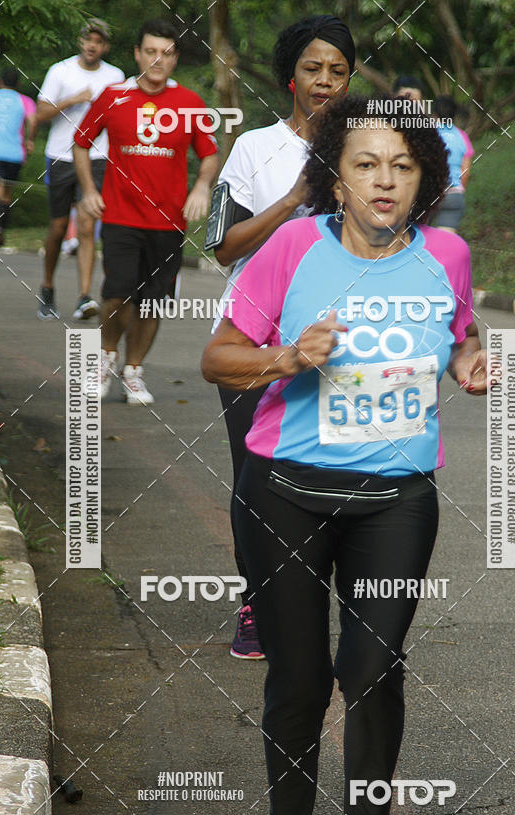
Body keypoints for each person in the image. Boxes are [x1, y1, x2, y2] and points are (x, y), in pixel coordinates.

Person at [201, 94, 487, 815]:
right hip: (285, 490)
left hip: (396, 498)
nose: (384, 180)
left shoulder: (449, 255)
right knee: (297, 677)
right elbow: (218, 357)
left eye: (402, 165)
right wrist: (288, 356)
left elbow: (457, 335)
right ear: (336, 179)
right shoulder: (293, 246)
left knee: (372, 667)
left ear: (424, 179)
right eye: (366, 164)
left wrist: (466, 365)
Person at [210, 15, 355, 659]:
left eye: (337, 71)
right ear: (290, 77)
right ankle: (257, 602)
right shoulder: (253, 150)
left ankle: (325, 602)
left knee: (338, 476)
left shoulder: (366, 147)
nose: (324, 81)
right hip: (255, 338)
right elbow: (222, 246)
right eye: (312, 69)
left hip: (340, 338)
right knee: (257, 478)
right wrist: (296, 195)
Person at [74, 18, 219, 406]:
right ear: (137, 54)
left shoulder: (190, 103)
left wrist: (201, 186)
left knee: (153, 301)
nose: (158, 59)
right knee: (117, 292)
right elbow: (80, 143)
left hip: (169, 221)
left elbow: (209, 154)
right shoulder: (112, 96)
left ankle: (134, 371)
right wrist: (88, 191)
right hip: (120, 215)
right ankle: (106, 357)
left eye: (167, 53)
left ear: (175, 59)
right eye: (150, 51)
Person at [36, 18, 124, 321]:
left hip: (98, 158)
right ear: (80, 41)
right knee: (59, 227)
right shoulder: (60, 71)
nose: (92, 45)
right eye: (89, 40)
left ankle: (84, 297)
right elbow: (41, 112)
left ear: (105, 47)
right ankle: (47, 287)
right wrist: (74, 99)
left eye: (99, 41)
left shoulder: (115, 76)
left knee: (87, 227)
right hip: (61, 156)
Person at [0, 68, 37, 247]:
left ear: (0, 81)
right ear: (18, 84)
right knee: (6, 195)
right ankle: (0, 229)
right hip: (15, 155)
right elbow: (33, 121)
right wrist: (29, 140)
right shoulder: (25, 100)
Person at [431, 95, 473, 232]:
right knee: (445, 246)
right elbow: (465, 172)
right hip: (454, 194)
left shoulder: (428, 134)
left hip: (429, 195)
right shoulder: (462, 137)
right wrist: (458, 191)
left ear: (434, 115)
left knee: (417, 241)